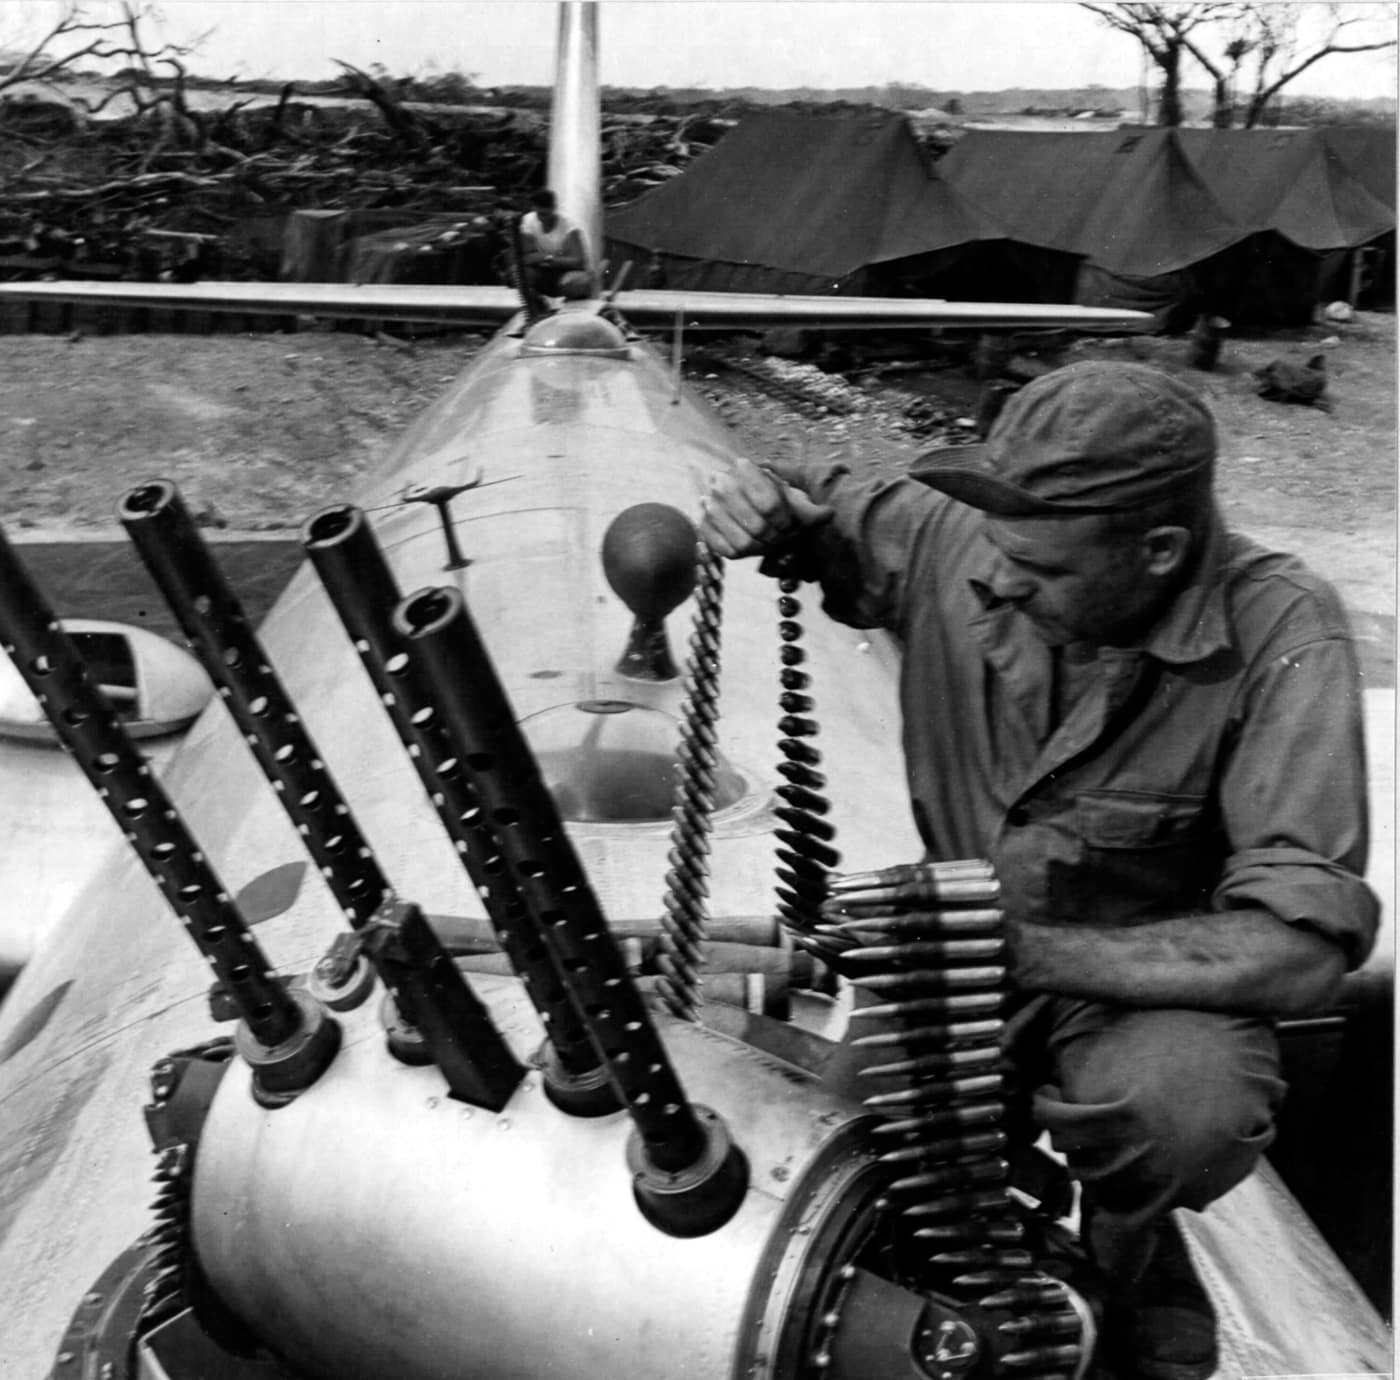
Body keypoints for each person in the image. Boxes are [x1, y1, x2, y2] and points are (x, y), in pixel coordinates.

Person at [698, 360, 1378, 1380]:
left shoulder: (1284, 633)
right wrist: (756, 501)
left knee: (1182, 1116)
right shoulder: (963, 537)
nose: (1002, 582)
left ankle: (1127, 1255)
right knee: (816, 1170)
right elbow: (801, 494)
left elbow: (1295, 953)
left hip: (1135, 978)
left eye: (1044, 572)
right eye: (1001, 552)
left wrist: (1023, 952)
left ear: (1159, 552)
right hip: (960, 961)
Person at [517, 189, 589, 298]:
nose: (542, 219)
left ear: (553, 208)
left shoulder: (569, 226)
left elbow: (578, 261)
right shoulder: (528, 220)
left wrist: (543, 257)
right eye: (539, 215)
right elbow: (526, 257)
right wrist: (558, 259)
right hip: (542, 271)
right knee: (520, 273)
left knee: (576, 284)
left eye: (546, 214)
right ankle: (538, 302)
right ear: (534, 209)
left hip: (564, 272)